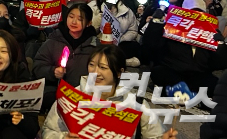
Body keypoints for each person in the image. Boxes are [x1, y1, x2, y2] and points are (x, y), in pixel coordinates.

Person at [41, 45, 176, 139]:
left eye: (103, 67)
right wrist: (64, 137)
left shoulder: (136, 103)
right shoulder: (72, 96)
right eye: (92, 65)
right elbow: (48, 130)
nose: (95, 72)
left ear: (118, 72)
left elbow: (155, 134)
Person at [141, 0, 227, 93]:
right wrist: (155, 24)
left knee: (214, 83)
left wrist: (220, 44)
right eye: (191, 13)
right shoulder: (170, 28)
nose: (195, 18)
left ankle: (185, 93)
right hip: (172, 71)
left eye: (199, 14)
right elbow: (150, 45)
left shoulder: (210, 33)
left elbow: (222, 63)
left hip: (198, 75)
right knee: (159, 72)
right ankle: (181, 92)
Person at [32, 3, 97, 112]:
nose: (74, 22)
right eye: (71, 17)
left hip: (83, 94)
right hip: (56, 91)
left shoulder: (94, 46)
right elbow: (37, 67)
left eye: (79, 19)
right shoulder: (53, 40)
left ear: (88, 23)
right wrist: (53, 71)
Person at [94, 0, 140, 66]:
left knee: (134, 46)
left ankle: (112, 62)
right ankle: (121, 62)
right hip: (100, 42)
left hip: (119, 43)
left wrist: (120, 39)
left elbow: (133, 30)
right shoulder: (94, 7)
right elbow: (91, 28)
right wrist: (102, 14)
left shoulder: (126, 10)